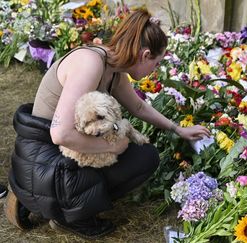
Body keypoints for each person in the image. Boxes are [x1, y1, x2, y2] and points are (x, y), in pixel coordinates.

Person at [5, 9, 210, 240]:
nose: (155, 71)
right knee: (137, 158)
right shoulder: (90, 64)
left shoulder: (112, 67)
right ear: (144, 54)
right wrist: (111, 147)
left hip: (52, 153)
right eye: (156, 63)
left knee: (144, 155)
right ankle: (67, 214)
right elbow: (60, 134)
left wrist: (177, 129)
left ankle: (40, 195)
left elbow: (139, 107)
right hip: (44, 154)